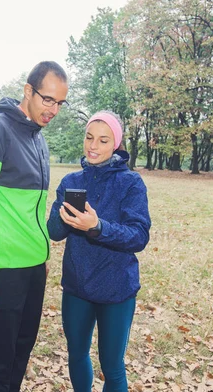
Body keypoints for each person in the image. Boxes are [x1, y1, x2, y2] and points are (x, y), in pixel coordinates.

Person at [0, 61, 69, 392]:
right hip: (0, 272)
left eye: (60, 103)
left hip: (33, 269)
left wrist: (41, 258)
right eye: (47, 99)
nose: (53, 110)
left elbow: (30, 212)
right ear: (28, 91)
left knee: (20, 354)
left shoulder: (39, 141)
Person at [47, 110, 151, 391]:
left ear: (115, 144)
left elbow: (139, 236)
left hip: (117, 290)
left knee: (112, 366)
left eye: (103, 140)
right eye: (89, 138)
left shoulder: (130, 183)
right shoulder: (71, 182)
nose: (93, 146)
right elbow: (55, 234)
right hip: (77, 287)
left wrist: (97, 227)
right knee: (77, 354)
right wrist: (61, 212)